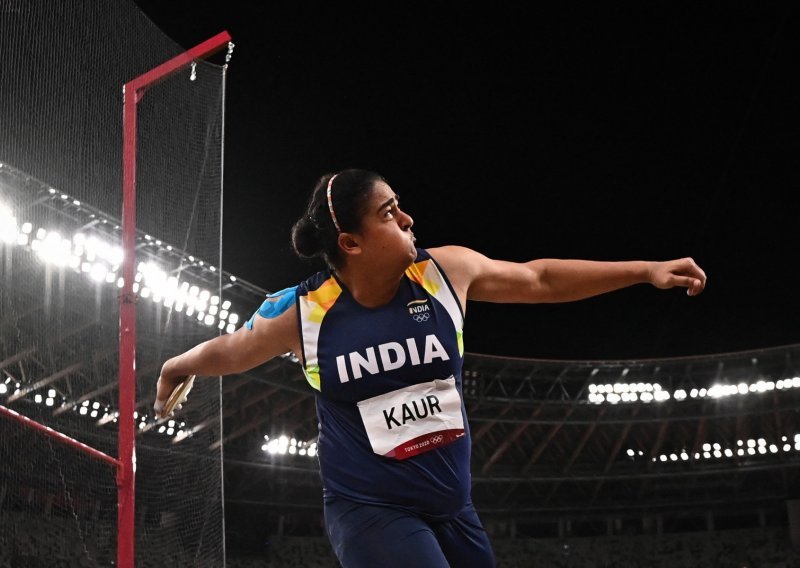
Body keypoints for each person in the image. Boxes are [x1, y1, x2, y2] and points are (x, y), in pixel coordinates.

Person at [154, 168, 707, 567]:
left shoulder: (445, 275)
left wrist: (645, 270)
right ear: (351, 242)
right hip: (370, 511)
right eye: (389, 213)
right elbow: (231, 350)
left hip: (452, 508)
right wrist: (179, 365)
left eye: (400, 204)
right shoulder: (306, 315)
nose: (408, 218)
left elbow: (540, 279)